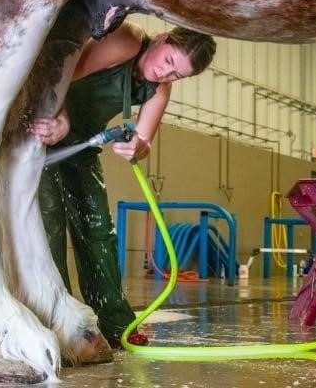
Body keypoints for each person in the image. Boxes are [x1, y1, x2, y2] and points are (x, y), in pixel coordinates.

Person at [30, 21, 216, 348]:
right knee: (50, 222)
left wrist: (138, 147)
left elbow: (144, 141)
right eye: (169, 60)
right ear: (162, 38)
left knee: (99, 229)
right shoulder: (127, 41)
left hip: (83, 144)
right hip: (45, 125)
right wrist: (60, 114)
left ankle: (116, 324)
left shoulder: (159, 88)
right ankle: (53, 321)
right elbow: (60, 70)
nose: (164, 73)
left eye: (177, 75)